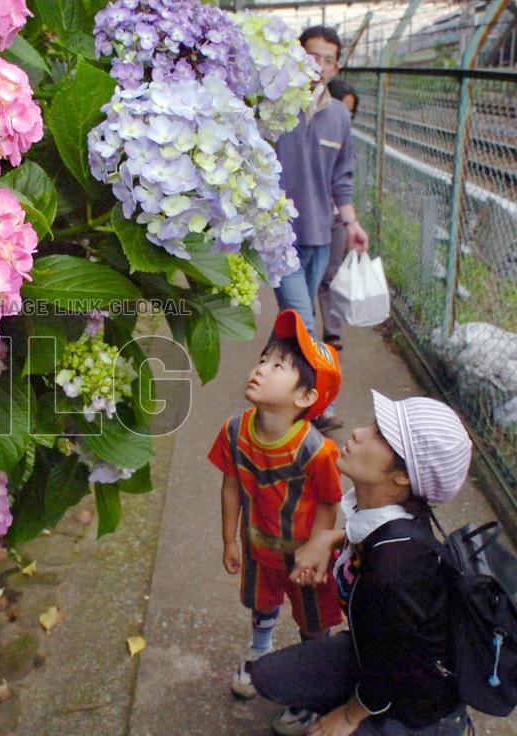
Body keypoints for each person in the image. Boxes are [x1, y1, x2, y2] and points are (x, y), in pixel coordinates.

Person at [250, 391, 474, 735]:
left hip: (414, 693)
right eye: (373, 426)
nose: (357, 432)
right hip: (376, 651)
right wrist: (329, 538)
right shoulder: (390, 520)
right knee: (268, 677)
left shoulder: (394, 572)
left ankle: (435, 728)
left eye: (381, 437)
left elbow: (393, 665)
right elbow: (371, 538)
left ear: (402, 477)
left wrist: (351, 715)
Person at [208, 309, 345, 736]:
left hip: (304, 556)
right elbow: (231, 486)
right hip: (258, 544)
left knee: (312, 621)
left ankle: (312, 690)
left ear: (305, 397)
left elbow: (328, 502)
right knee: (261, 602)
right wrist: (230, 539)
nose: (261, 368)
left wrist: (320, 549)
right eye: (264, 359)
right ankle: (260, 651)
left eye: (279, 366)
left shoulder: (315, 451)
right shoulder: (235, 431)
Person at [274, 26, 369, 341]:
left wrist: (352, 224)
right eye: (312, 56)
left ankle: (270, 378)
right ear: (298, 55)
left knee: (294, 320)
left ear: (335, 68)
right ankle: (310, 387)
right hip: (279, 236)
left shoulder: (340, 116)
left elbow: (341, 178)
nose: (319, 65)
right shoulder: (274, 103)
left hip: (320, 236)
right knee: (304, 323)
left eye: (328, 60)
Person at [317, 79, 360, 352]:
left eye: (350, 113)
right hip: (310, 215)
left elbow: (343, 181)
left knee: (331, 274)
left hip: (336, 218)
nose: (344, 116)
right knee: (309, 274)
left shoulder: (345, 139)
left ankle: (332, 333)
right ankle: (301, 330)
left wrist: (351, 220)